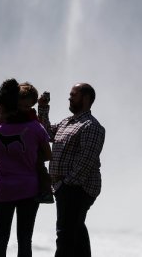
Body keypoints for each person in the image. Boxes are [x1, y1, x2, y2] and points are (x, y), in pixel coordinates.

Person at [38, 82, 106, 257]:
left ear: (86, 98)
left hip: (77, 189)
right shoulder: (68, 121)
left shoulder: (91, 126)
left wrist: (64, 184)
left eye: (73, 95)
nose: (69, 97)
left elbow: (86, 162)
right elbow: (46, 133)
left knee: (65, 235)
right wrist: (43, 108)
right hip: (65, 187)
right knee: (75, 232)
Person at [0, 79, 52, 257]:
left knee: (0, 239)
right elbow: (48, 155)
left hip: (3, 189)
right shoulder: (35, 128)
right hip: (28, 189)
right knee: (24, 240)